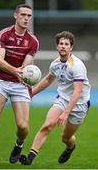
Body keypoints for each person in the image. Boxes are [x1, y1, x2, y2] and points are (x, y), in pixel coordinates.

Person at [0, 4, 39, 166]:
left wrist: (23, 72)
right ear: (15, 16)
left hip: (20, 85)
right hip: (1, 81)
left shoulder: (33, 41)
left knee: (23, 126)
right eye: (24, 15)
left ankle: (19, 143)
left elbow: (27, 65)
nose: (26, 18)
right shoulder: (4, 34)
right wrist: (15, 71)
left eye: (29, 16)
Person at [19, 31, 91, 165]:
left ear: (71, 47)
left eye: (66, 44)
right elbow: (47, 80)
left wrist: (66, 113)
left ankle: (70, 147)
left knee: (65, 137)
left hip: (79, 104)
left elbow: (77, 91)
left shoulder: (77, 65)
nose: (63, 46)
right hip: (62, 100)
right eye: (61, 44)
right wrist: (31, 93)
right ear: (57, 47)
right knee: (47, 125)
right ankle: (29, 158)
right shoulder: (55, 64)